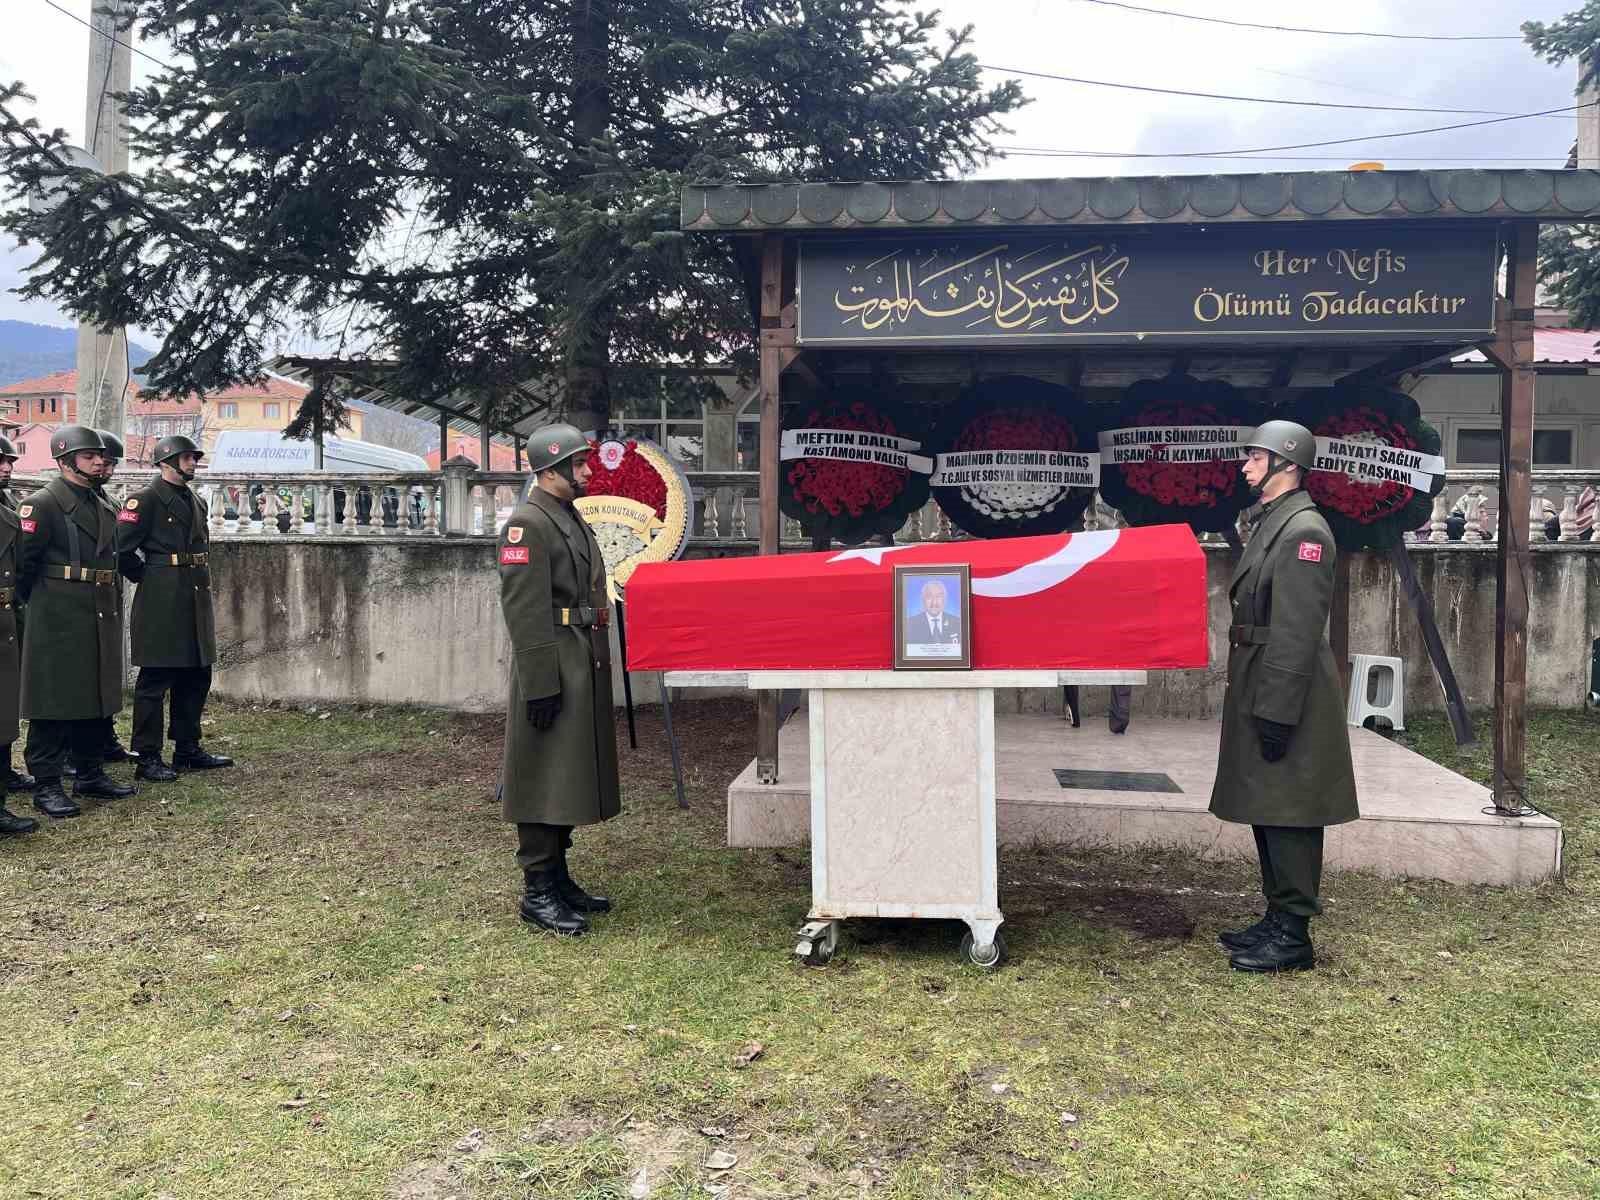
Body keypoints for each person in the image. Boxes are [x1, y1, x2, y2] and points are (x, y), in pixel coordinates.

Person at [1211, 420, 1358, 973]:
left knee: (1291, 811)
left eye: (1256, 457)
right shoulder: (1275, 522)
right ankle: (1277, 917)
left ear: (1287, 464)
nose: (1246, 465)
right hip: (1262, 676)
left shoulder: (1304, 533)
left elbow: (1296, 634)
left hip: (1283, 683)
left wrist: (1276, 708)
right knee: (1268, 805)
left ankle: (1294, 933)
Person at [497, 423, 619, 936]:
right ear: (550, 471)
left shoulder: (565, 515)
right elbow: (524, 611)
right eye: (578, 464)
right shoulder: (527, 524)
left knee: (567, 773)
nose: (588, 471)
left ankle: (559, 876)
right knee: (542, 774)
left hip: (580, 656)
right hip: (551, 661)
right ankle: (537, 890)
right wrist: (540, 683)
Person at [17, 426, 136, 817]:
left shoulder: (102, 503)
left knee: (94, 694)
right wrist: (38, 610)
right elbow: (23, 567)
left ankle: (89, 772)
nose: (100, 461)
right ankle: (48, 783)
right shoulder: (44, 503)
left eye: (101, 456)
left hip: (98, 607)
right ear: (66, 460)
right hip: (57, 612)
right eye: (90, 456)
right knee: (52, 700)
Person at [116, 435, 232, 780]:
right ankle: (147, 756)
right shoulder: (145, 500)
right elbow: (120, 550)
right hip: (161, 600)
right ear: (166, 462)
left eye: (194, 458)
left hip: (194, 597)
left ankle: (187, 748)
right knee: (155, 679)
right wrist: (150, 578)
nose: (192, 463)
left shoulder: (196, 500)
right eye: (186, 458)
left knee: (196, 674)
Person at [84, 430, 138, 768]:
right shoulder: (55, 502)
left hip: (106, 598)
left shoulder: (108, 501)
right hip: (73, 601)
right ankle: (68, 754)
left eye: (110, 462)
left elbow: (120, 548)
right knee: (74, 680)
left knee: (104, 675)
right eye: (97, 460)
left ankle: (105, 740)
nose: (104, 465)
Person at [0, 434, 34, 794]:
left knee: (6, 697)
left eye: (10, 462)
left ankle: (5, 770)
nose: (7, 468)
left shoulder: (10, 505)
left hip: (9, 613)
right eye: (0, 462)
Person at [903, 579, 961, 648]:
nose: (934, 602)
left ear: (944, 600)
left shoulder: (957, 623)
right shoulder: (909, 624)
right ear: (923, 600)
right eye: (929, 597)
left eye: (938, 597)